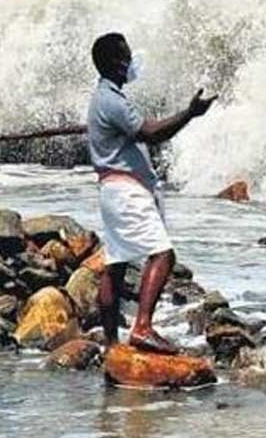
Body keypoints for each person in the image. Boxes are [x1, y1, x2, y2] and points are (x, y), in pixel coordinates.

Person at [88, 32, 216, 354]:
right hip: (125, 191)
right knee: (163, 254)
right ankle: (142, 328)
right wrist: (190, 113)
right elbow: (153, 133)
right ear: (117, 63)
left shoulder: (104, 97)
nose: (131, 62)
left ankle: (111, 344)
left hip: (112, 190)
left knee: (116, 265)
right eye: (127, 57)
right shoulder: (112, 101)